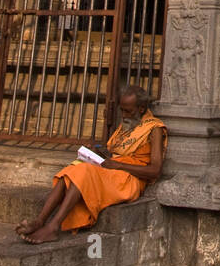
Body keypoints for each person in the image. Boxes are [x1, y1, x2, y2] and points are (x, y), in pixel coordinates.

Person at [15, 86, 166, 244]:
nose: (123, 115)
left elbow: (155, 171)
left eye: (128, 111)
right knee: (74, 167)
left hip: (129, 180)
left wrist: (118, 166)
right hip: (113, 172)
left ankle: (53, 227)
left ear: (141, 108)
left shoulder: (154, 129)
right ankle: (40, 221)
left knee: (84, 171)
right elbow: (115, 154)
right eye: (122, 110)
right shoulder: (128, 124)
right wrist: (97, 154)